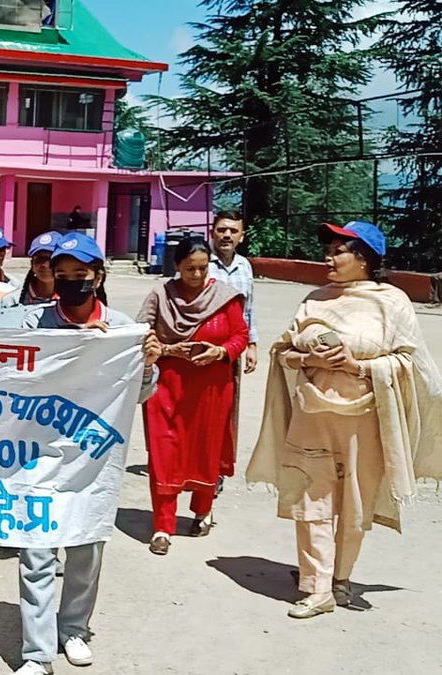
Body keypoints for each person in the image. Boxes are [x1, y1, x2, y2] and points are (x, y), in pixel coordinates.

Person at [247, 221, 442, 619]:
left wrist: (358, 365)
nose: (329, 257)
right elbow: (282, 352)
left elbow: (410, 363)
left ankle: (340, 579)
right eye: (330, 249)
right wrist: (307, 359)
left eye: (339, 250)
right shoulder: (314, 300)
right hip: (311, 414)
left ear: (365, 260)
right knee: (310, 497)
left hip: (364, 419)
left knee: (355, 504)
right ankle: (316, 587)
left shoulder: (391, 302)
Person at [16, 232, 161, 675]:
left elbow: (139, 395)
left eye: (81, 275)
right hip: (37, 455)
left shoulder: (120, 328)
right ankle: (37, 653)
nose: (72, 283)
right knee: (37, 552)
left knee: (85, 548)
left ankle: (73, 628)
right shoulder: (32, 323)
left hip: (93, 459)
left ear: (98, 276)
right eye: (63, 275)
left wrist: (148, 365)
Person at [136, 237, 249, 556]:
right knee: (164, 453)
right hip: (166, 386)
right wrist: (170, 349)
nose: (196, 275)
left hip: (212, 388)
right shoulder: (161, 294)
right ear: (176, 266)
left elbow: (240, 334)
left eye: (202, 268)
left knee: (206, 449)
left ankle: (202, 512)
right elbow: (140, 333)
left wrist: (221, 351)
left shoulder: (225, 297)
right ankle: (162, 526)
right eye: (189, 269)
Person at [207, 211, 257, 495]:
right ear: (213, 231)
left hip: (232, 351)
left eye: (233, 231)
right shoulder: (201, 263)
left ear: (241, 236)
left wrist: (252, 344)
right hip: (201, 351)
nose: (227, 235)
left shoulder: (244, 267)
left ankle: (218, 469)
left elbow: (250, 310)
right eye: (222, 229)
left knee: (227, 412)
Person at [5, 232, 59, 307]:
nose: (45, 265)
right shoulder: (12, 301)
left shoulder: (74, 301)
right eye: (39, 259)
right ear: (32, 264)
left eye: (52, 259)